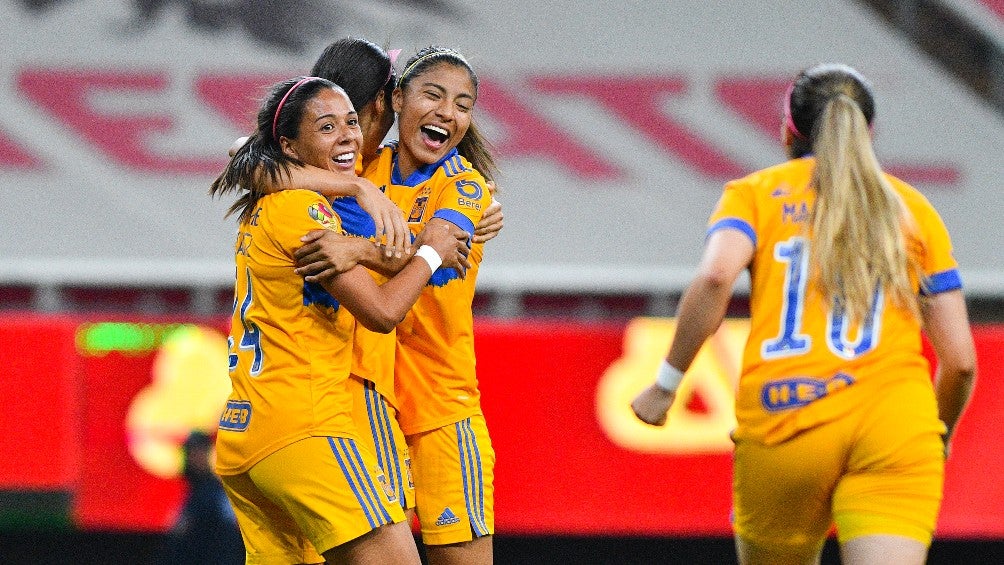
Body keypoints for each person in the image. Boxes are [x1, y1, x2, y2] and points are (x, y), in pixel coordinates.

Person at [631, 64, 977, 565]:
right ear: (868, 131)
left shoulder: (754, 195)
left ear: (787, 130)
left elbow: (714, 277)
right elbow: (961, 362)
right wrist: (936, 433)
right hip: (895, 424)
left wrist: (666, 384)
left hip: (786, 414)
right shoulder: (912, 208)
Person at [209, 75, 471, 564]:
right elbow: (381, 312)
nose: (350, 135)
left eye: (351, 122)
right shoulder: (304, 207)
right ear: (288, 145)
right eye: (326, 127)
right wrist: (431, 254)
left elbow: (245, 153)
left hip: (247, 435)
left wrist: (375, 226)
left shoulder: (270, 202)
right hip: (302, 428)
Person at [297, 46, 498, 565]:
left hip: (440, 405)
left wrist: (356, 246)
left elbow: (442, 252)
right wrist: (357, 186)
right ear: (398, 99)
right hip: (368, 397)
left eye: (463, 104)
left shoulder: (467, 187)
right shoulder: (365, 165)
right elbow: (258, 163)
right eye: (433, 94)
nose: (448, 113)